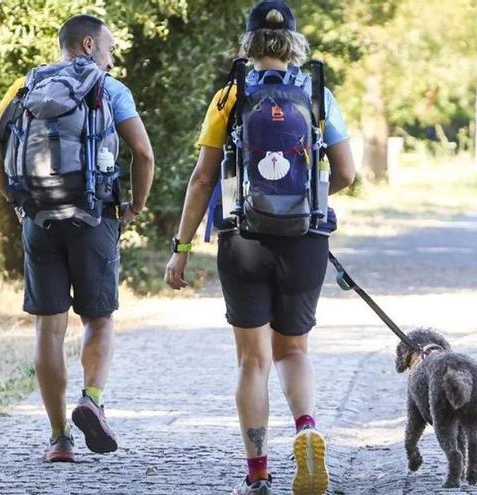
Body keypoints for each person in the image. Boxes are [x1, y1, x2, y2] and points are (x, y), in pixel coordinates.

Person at [163, 2, 355, 494]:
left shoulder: (229, 97)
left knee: (253, 360)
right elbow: (349, 174)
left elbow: (204, 176)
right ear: (293, 44)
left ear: (247, 45)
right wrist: (303, 201)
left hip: (242, 238)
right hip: (305, 238)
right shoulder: (317, 94)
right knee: (294, 350)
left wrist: (181, 247)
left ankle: (258, 473)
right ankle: (307, 427)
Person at [0, 14, 154, 462]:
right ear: (90, 44)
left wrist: (19, 201)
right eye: (111, 49)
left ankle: (59, 440)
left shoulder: (26, 85)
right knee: (99, 319)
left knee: (48, 327)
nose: (113, 59)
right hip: (95, 217)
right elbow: (144, 153)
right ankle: (91, 399)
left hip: (40, 219)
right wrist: (134, 206)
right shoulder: (110, 89)